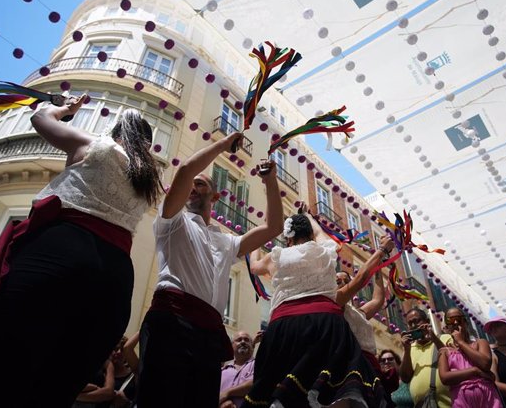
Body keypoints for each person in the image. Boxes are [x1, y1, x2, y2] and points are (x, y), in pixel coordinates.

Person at [0, 96, 162, 408]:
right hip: (115, 276)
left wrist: (65, 109)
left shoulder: (100, 145)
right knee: (58, 385)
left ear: (115, 130)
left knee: (0, 366)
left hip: (62, 251)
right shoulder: (148, 177)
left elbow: (40, 119)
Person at [137, 132, 283, 408]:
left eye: (200, 184)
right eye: (189, 184)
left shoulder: (227, 241)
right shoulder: (172, 221)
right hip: (171, 322)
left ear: (215, 195)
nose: (192, 186)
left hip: (208, 332)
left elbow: (273, 227)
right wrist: (222, 145)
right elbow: (185, 170)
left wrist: (270, 181)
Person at [246, 209, 387, 406]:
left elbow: (254, 266)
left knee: (278, 390)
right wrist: (310, 218)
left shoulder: (276, 257)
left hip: (283, 325)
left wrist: (260, 238)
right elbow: (320, 233)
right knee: (336, 389)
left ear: (288, 239)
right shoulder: (325, 249)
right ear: (311, 236)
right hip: (325, 322)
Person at [335, 235, 398, 395]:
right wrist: (381, 252)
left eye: (345, 280)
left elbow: (377, 300)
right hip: (350, 367)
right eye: (337, 281)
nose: (342, 283)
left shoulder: (357, 313)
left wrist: (378, 268)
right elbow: (361, 278)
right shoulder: (335, 304)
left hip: (369, 367)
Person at [438, 308, 502, 408]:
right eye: (450, 320)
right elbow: (445, 378)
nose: (455, 322)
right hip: (462, 401)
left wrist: (461, 342)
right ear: (447, 326)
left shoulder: (480, 343)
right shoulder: (445, 351)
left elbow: (485, 363)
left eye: (458, 319)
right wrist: (474, 370)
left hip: (488, 399)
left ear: (465, 322)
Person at [399, 307, 452, 408]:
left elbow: (455, 360)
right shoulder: (410, 349)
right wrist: (407, 350)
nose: (414, 326)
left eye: (416, 321)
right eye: (410, 323)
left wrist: (433, 337)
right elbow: (405, 378)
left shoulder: (445, 338)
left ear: (427, 321)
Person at [219, 331, 257, 408]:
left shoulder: (258, 364)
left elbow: (255, 383)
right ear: (231, 346)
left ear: (252, 345)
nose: (243, 342)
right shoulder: (222, 371)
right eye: (239, 340)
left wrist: (227, 393)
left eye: (246, 340)